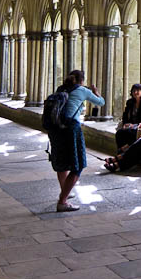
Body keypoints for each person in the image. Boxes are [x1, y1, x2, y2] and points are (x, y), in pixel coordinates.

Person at [48, 70, 104, 212]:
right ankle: (62, 201)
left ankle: (65, 191)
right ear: (82, 80)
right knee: (77, 165)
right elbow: (101, 102)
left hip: (56, 129)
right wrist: (95, 92)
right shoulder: (82, 90)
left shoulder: (61, 89)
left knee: (62, 163)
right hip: (71, 129)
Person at [115, 83, 141, 152]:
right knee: (119, 133)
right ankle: (121, 151)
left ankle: (125, 151)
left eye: (137, 90)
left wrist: (134, 125)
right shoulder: (130, 102)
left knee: (131, 133)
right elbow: (125, 115)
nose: (135, 92)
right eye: (133, 91)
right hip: (130, 124)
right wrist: (125, 123)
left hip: (140, 125)